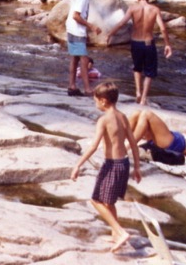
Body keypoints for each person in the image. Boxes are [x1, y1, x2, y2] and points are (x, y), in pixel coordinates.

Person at [70, 82, 141, 253]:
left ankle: (121, 232)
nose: (95, 103)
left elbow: (94, 146)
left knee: (96, 200)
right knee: (109, 202)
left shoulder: (104, 120)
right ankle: (116, 234)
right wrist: (137, 167)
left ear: (103, 101)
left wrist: (77, 165)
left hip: (112, 165)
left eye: (95, 100)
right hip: (124, 163)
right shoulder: (123, 116)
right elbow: (133, 143)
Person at [106, 0, 173, 105]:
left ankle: (137, 92)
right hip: (148, 43)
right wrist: (167, 44)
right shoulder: (155, 9)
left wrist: (110, 33)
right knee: (149, 72)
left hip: (135, 42)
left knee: (137, 68)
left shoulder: (133, 8)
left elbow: (122, 23)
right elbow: (163, 28)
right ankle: (143, 98)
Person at [66, 0, 102, 96]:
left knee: (75, 58)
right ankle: (87, 89)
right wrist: (91, 26)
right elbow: (76, 16)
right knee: (84, 59)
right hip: (76, 30)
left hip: (72, 29)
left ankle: (72, 86)